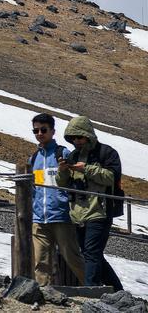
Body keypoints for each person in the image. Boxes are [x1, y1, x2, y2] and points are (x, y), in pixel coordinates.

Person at [56, 116, 124, 290]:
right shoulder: (73, 155)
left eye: (79, 137)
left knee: (92, 253)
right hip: (78, 213)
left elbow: (111, 177)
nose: (76, 141)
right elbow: (62, 184)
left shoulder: (107, 153)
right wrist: (63, 171)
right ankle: (116, 289)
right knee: (91, 254)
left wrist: (85, 169)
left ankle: (90, 291)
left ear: (88, 135)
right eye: (73, 138)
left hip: (99, 212)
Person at [29, 113, 84, 286]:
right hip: (39, 218)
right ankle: (44, 294)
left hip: (62, 216)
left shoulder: (63, 153)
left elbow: (74, 180)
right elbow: (34, 188)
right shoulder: (34, 158)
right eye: (35, 130)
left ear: (52, 131)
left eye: (43, 129)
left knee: (73, 257)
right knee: (40, 261)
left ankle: (93, 288)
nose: (39, 133)